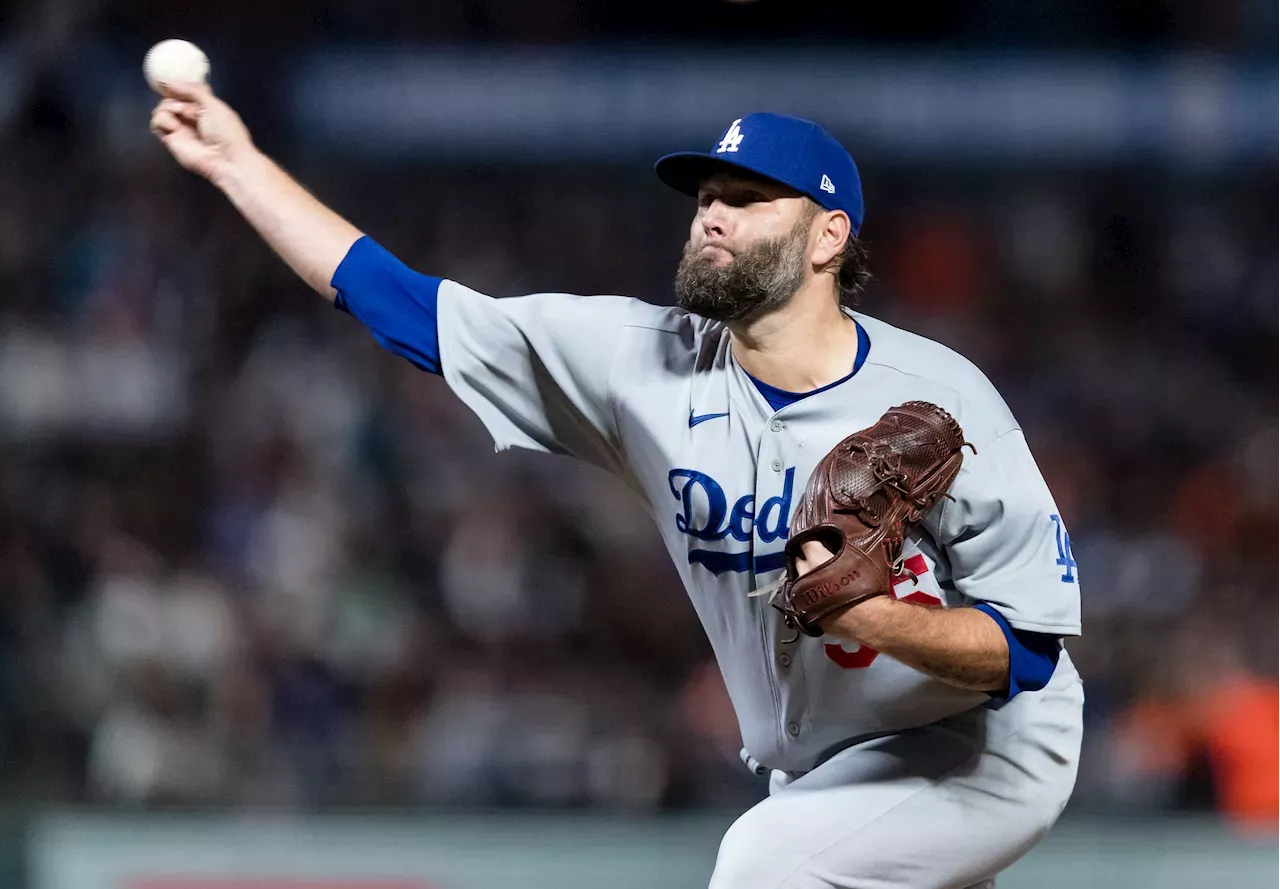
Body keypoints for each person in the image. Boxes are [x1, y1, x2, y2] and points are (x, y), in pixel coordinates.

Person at [150, 85, 1083, 888]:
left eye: (748, 198)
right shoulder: (642, 365)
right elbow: (407, 310)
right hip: (823, 761)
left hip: (986, 744)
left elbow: (1030, 651)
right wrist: (237, 165)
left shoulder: (944, 399)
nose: (710, 214)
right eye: (705, 196)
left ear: (827, 236)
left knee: (763, 866)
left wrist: (877, 620)